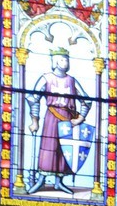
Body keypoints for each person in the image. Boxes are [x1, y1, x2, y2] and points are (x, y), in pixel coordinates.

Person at [25, 38, 88, 194]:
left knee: (63, 149)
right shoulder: (46, 78)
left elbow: (86, 100)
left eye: (66, 59)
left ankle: (59, 182)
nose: (65, 62)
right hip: (52, 118)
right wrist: (35, 121)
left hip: (68, 119)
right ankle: (41, 180)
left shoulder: (72, 81)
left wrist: (80, 118)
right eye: (61, 59)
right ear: (54, 61)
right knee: (48, 148)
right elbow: (33, 98)